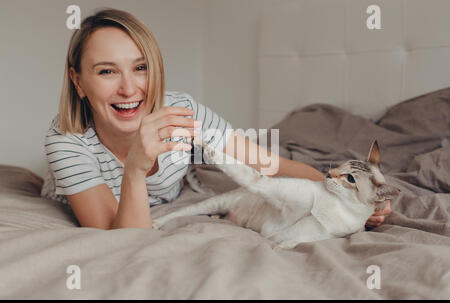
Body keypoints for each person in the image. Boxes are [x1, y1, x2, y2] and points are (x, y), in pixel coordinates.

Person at [41, 8, 390, 230]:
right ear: (78, 81)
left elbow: (270, 164)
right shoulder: (66, 141)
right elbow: (122, 240)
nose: (129, 88)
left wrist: (342, 200)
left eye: (140, 68)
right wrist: (134, 168)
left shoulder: (181, 112)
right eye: (106, 72)